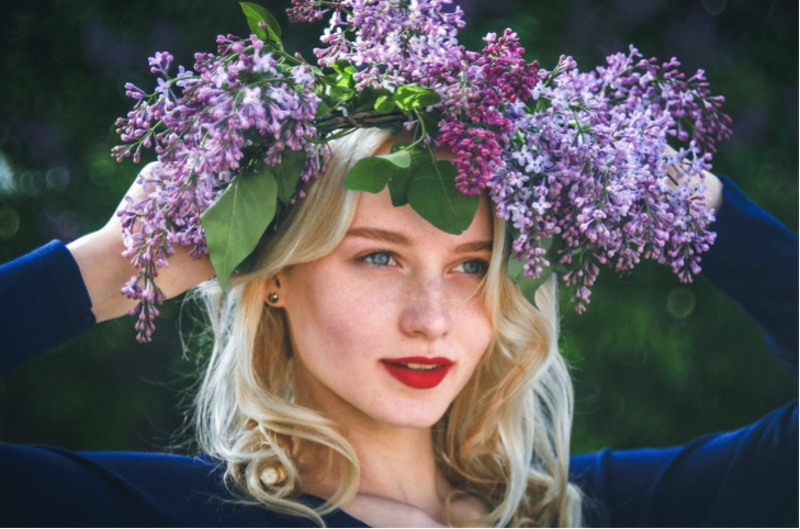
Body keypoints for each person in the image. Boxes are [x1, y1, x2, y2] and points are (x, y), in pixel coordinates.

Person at [0, 126, 797, 528]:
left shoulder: (594, 509)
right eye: (378, 259)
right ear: (275, 277)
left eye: (471, 264)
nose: (432, 319)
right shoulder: (167, 512)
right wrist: (111, 267)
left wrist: (695, 206)